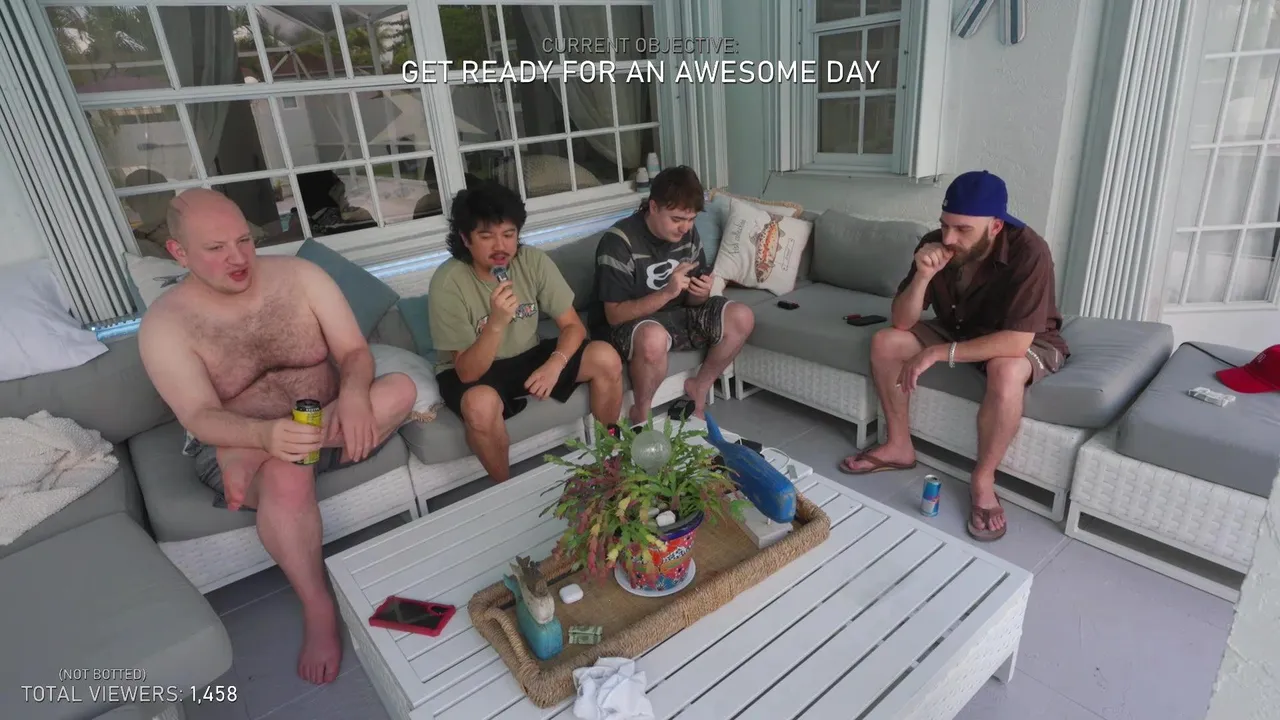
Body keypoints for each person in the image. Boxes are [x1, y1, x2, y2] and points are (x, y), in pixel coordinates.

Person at [136, 189, 418, 685]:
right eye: (216, 248)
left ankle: (260, 454)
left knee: (400, 390)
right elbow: (199, 415)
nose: (238, 257)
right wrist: (262, 438)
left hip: (330, 425)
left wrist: (354, 394)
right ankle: (318, 607)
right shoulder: (166, 324)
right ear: (179, 253)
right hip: (242, 439)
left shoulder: (301, 277)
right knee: (288, 476)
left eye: (244, 240)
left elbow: (354, 352)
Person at [840, 170, 1070, 542]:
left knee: (1006, 370)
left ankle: (983, 479)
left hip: (1022, 339)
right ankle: (898, 446)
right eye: (945, 225)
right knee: (886, 342)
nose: (949, 238)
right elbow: (902, 321)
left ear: (995, 226)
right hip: (960, 328)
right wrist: (923, 276)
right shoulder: (935, 243)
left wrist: (939, 352)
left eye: (963, 229)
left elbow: (1016, 342)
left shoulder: (1030, 250)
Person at [428, 182, 623, 481]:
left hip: (527, 354)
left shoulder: (531, 261)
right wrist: (496, 324)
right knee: (479, 406)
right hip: (474, 368)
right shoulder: (448, 282)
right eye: (486, 237)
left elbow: (573, 326)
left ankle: (612, 460)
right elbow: (467, 372)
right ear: (466, 239)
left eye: (509, 235)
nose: (501, 247)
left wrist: (555, 364)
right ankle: (505, 487)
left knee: (605, 357)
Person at [593, 166, 755, 424]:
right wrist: (667, 293)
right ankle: (641, 411)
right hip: (629, 325)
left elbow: (692, 301)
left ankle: (699, 387)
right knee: (653, 337)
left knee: (742, 316)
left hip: (677, 315)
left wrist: (700, 293)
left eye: (691, 219)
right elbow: (614, 315)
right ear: (653, 207)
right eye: (677, 219)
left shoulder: (688, 235)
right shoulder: (618, 242)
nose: (684, 228)